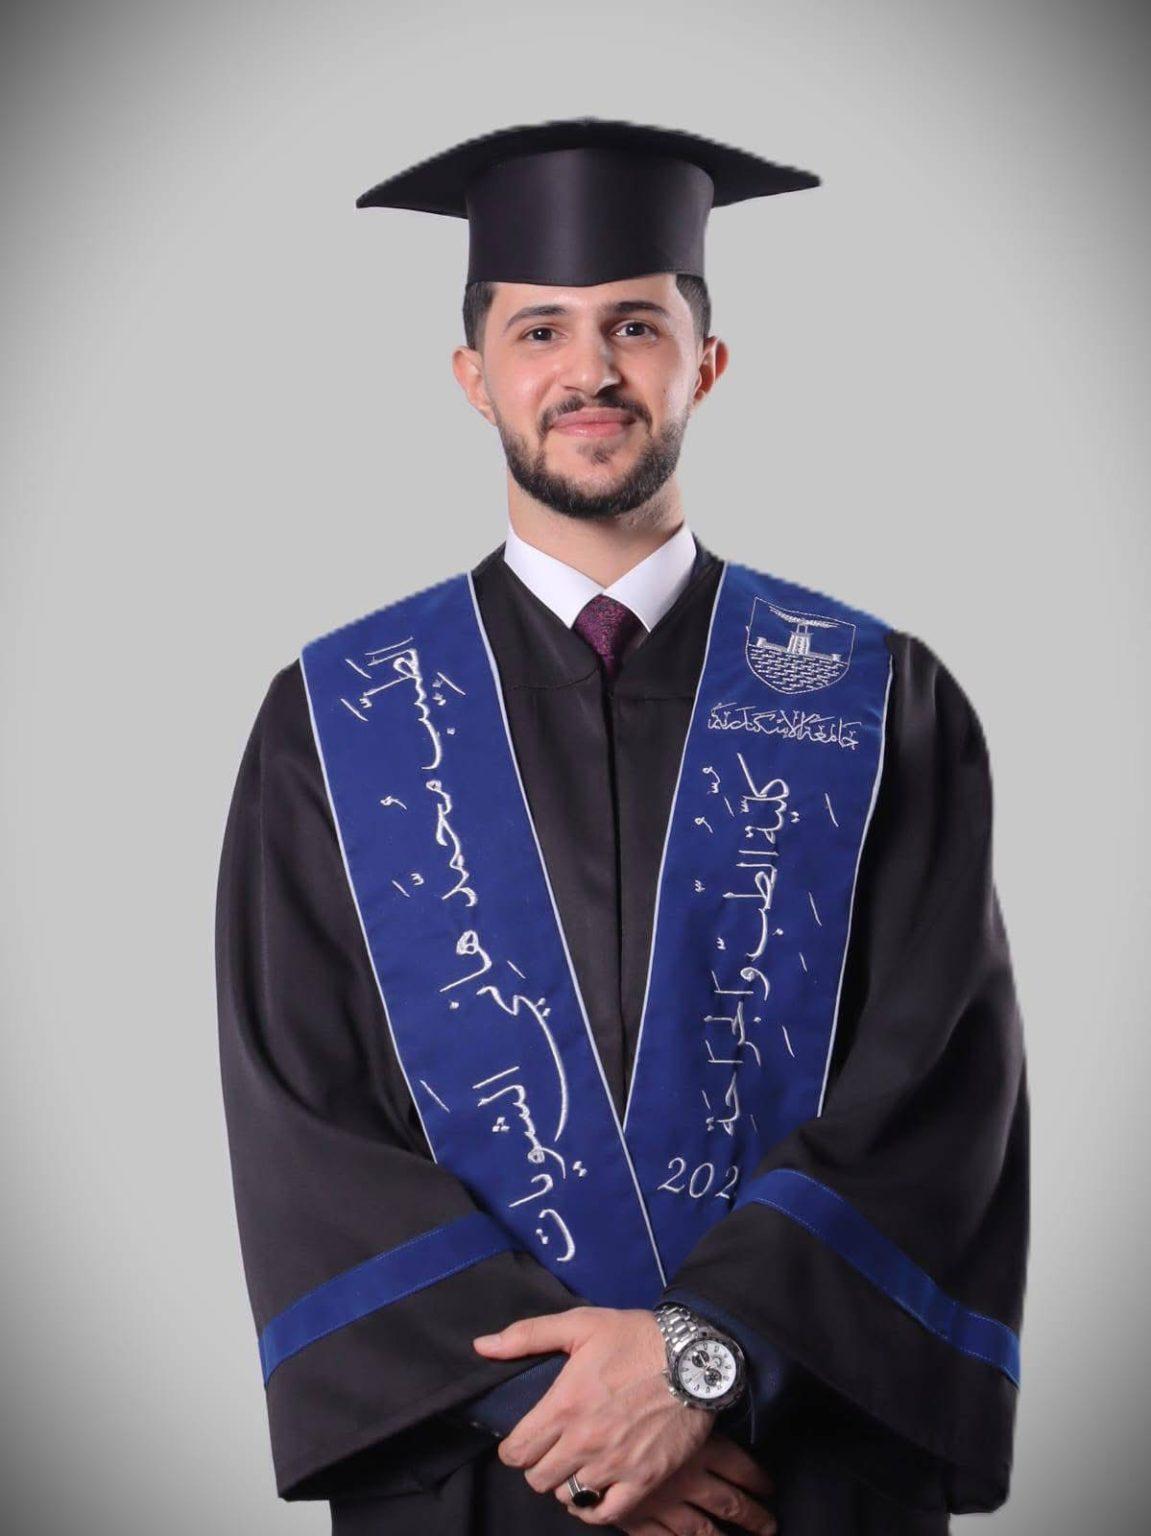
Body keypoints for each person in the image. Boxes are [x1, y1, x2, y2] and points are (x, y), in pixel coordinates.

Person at [215, 118, 1029, 1536]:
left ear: (705, 363)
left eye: (635, 326)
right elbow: (301, 1113)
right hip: (480, 1471)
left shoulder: (877, 699)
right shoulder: (335, 717)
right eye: (540, 331)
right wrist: (568, 1414)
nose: (588, 371)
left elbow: (938, 1086)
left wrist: (704, 1362)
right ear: (474, 378)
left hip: (791, 1465)